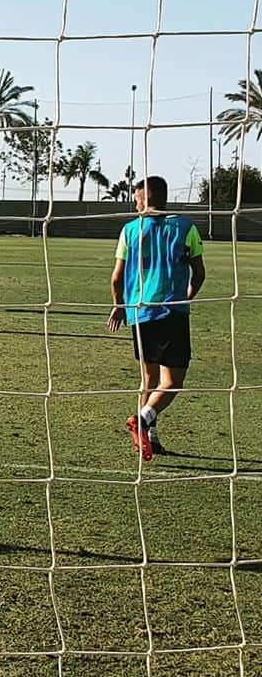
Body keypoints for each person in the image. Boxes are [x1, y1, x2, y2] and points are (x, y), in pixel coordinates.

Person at [108, 175, 205, 462]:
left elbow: (116, 278)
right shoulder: (186, 227)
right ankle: (143, 418)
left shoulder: (129, 230)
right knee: (172, 381)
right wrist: (185, 298)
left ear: (147, 197)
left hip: (140, 312)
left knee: (149, 379)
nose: (135, 203)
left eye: (136, 198)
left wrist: (119, 307)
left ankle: (149, 438)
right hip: (171, 312)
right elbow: (199, 274)